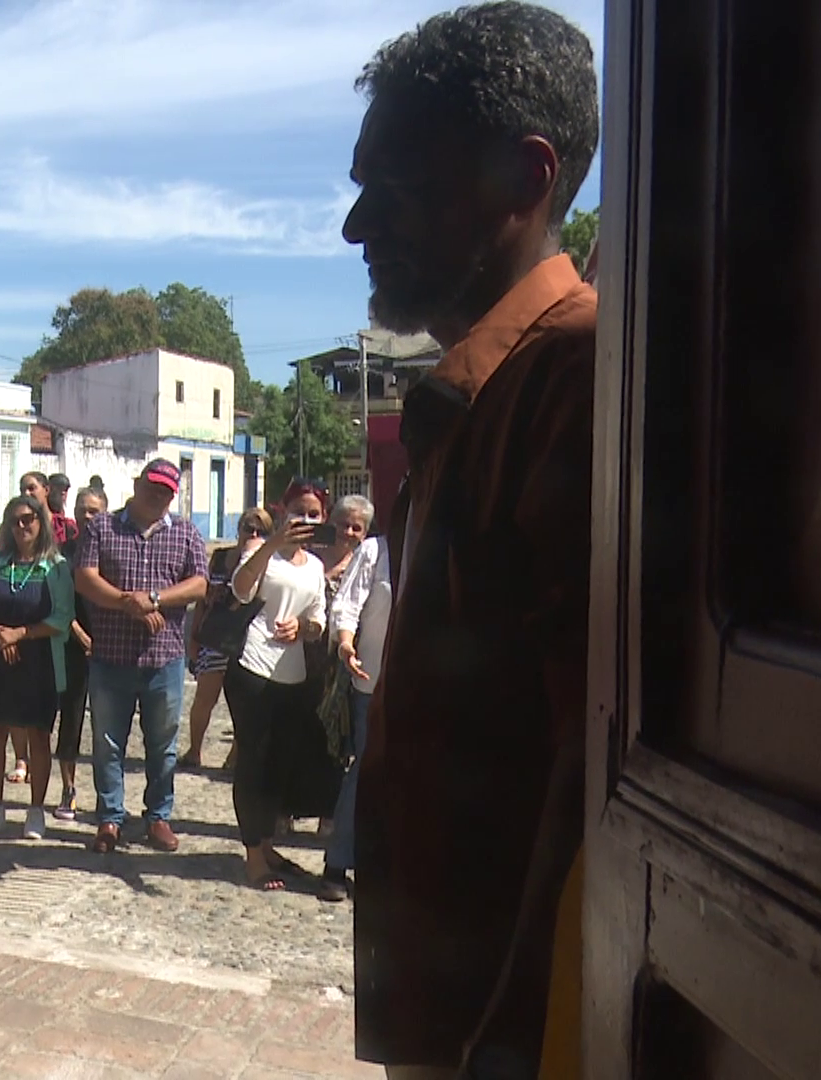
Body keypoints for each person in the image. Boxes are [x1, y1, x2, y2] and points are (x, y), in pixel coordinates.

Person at [343, 4, 598, 1075]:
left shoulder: (577, 383)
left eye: (392, 190)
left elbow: (588, 767)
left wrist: (504, 1038)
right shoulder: (469, 403)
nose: (357, 228)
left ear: (525, 181)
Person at [73, 459, 208, 854]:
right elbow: (84, 577)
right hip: (111, 656)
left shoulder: (185, 533)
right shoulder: (102, 527)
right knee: (107, 743)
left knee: (163, 743)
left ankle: (158, 816)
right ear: (137, 484)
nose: (159, 494)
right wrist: (125, 603)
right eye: (153, 486)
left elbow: (199, 584)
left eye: (167, 490)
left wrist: (152, 600)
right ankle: (110, 817)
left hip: (163, 659)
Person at [224, 480, 347, 902]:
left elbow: (318, 620)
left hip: (292, 675)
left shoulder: (313, 565)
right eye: (299, 510)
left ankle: (265, 841)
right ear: (282, 510)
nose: (306, 520)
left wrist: (303, 628)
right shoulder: (260, 550)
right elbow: (240, 589)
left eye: (314, 513)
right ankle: (253, 855)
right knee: (253, 762)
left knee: (279, 765)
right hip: (252, 669)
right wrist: (272, 541)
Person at [0, 493, 74, 840]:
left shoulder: (55, 566)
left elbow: (61, 617)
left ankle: (35, 811)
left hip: (38, 661)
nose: (22, 526)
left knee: (38, 735)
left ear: (40, 522)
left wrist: (20, 635)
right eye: (15, 520)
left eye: (28, 519)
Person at [324, 494, 387, 897]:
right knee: (363, 772)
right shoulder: (374, 551)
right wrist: (346, 644)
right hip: (372, 682)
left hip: (422, 686)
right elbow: (347, 606)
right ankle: (337, 863)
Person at [185, 508, 274, 772]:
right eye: (249, 528)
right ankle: (194, 750)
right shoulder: (221, 558)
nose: (253, 534)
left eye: (261, 531)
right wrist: (194, 636)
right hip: (214, 637)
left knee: (242, 704)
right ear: (239, 529)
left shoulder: (267, 563)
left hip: (247, 641)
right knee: (204, 698)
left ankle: (236, 756)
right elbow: (203, 598)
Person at [52, 487, 107, 820]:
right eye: (83, 510)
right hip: (72, 647)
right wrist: (84, 639)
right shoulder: (63, 554)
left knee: (107, 726)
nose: (88, 517)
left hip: (111, 649)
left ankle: (107, 796)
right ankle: (68, 788)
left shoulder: (113, 549)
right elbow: (59, 605)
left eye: (95, 511)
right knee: (70, 721)